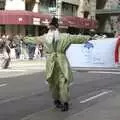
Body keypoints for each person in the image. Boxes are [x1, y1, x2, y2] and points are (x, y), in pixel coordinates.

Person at [42, 17, 90, 112]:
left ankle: (63, 102)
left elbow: (77, 38)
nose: (51, 29)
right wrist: (88, 38)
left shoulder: (50, 37)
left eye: (52, 28)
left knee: (61, 83)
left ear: (54, 28)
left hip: (58, 64)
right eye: (51, 28)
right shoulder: (58, 37)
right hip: (54, 64)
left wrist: (88, 38)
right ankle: (58, 101)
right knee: (54, 84)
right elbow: (77, 38)